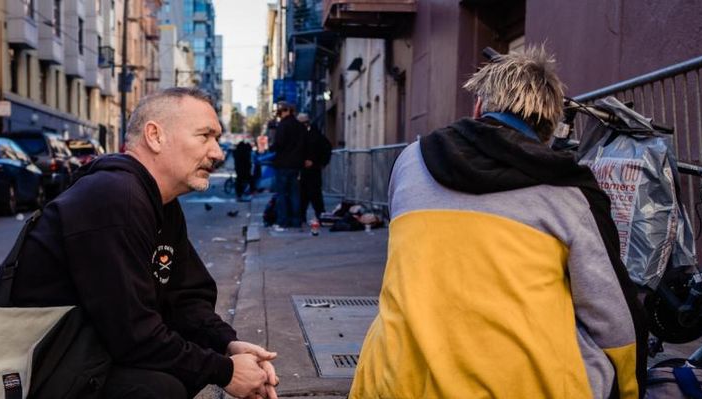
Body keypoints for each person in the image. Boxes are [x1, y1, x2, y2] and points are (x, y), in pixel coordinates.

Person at [350, 46, 646, 398]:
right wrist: (629, 387)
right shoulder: (570, 193)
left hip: (393, 382)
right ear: (550, 127)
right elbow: (613, 322)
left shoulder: (410, 162)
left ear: (479, 107)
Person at [0, 88, 280, 399]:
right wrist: (226, 371)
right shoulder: (114, 197)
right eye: (204, 136)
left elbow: (186, 296)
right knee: (158, 389)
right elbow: (134, 333)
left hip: (83, 350)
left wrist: (226, 344)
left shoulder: (160, 203)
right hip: (33, 366)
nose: (218, 153)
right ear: (155, 136)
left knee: (182, 369)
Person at [268, 103, 309, 230]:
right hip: (296, 165)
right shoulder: (300, 127)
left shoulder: (283, 125)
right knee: (295, 194)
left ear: (287, 111)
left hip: (283, 164)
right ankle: (296, 221)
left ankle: (283, 221)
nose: (280, 115)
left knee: (282, 194)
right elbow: (305, 144)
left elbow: (279, 143)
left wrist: (271, 147)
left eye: (281, 112)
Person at [298, 114, 331, 224]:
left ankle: (316, 215)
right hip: (311, 169)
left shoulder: (313, 135)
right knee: (309, 195)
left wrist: (316, 162)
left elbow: (325, 149)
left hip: (311, 169)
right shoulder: (314, 134)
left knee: (311, 194)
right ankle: (317, 215)